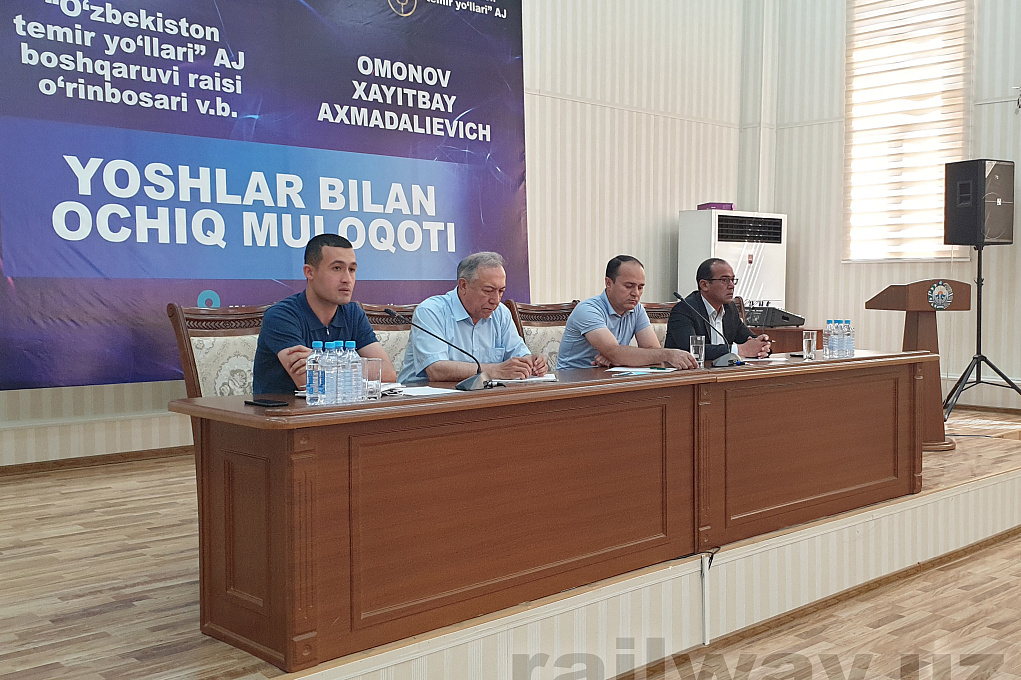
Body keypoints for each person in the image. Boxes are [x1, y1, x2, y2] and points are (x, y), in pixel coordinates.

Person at [253, 234, 397, 395]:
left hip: (343, 408)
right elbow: (307, 381)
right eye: (337, 268)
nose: (347, 279)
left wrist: (322, 361)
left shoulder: (353, 313)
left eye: (352, 270)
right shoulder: (281, 316)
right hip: (287, 409)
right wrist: (353, 366)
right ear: (309, 272)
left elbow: (387, 373)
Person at [397, 252, 547, 384]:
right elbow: (436, 370)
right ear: (463, 285)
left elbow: (519, 355)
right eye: (488, 290)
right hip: (425, 401)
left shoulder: (501, 313)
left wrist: (531, 363)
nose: (496, 300)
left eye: (501, 291)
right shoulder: (431, 311)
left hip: (481, 398)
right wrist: (496, 370)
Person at [557, 255, 698, 370]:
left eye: (640, 287)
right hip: (573, 383)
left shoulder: (636, 309)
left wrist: (618, 358)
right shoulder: (588, 310)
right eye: (629, 286)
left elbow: (652, 349)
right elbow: (614, 352)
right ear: (608, 283)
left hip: (610, 378)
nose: (636, 293)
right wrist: (668, 354)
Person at [665, 257, 770, 361]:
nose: (731, 286)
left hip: (723, 370)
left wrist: (762, 345)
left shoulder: (730, 309)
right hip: (689, 371)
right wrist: (740, 350)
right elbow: (691, 349)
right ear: (704, 285)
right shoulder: (684, 310)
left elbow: (748, 338)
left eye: (733, 280)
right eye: (724, 280)